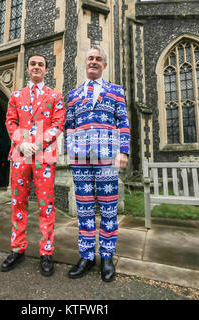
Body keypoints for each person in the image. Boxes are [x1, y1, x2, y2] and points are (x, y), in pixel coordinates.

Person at [64, 45, 130, 282]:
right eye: (90, 58)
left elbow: (123, 121)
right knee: (84, 210)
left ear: (104, 64)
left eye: (98, 59)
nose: (93, 61)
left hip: (108, 158)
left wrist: (123, 152)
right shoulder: (73, 95)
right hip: (80, 160)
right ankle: (87, 255)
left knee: (109, 209)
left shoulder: (116, 91)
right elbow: (68, 125)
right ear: (85, 63)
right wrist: (70, 149)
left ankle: (107, 256)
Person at [1, 53, 65, 276]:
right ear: (27, 69)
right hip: (20, 156)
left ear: (46, 70)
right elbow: (10, 121)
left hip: (44, 157)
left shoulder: (55, 96)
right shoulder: (17, 95)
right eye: (33, 64)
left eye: (41, 64)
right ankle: (17, 249)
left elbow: (58, 123)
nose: (37, 67)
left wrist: (37, 144)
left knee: (46, 205)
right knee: (18, 203)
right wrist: (21, 143)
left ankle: (46, 253)